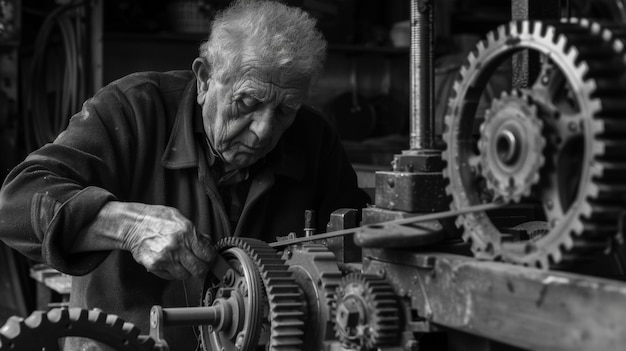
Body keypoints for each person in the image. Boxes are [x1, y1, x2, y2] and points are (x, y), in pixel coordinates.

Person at [0, 0, 369, 349]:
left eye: (285, 110)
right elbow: (15, 205)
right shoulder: (132, 110)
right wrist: (128, 226)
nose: (264, 131)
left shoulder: (314, 139)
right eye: (248, 103)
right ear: (205, 78)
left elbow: (359, 250)